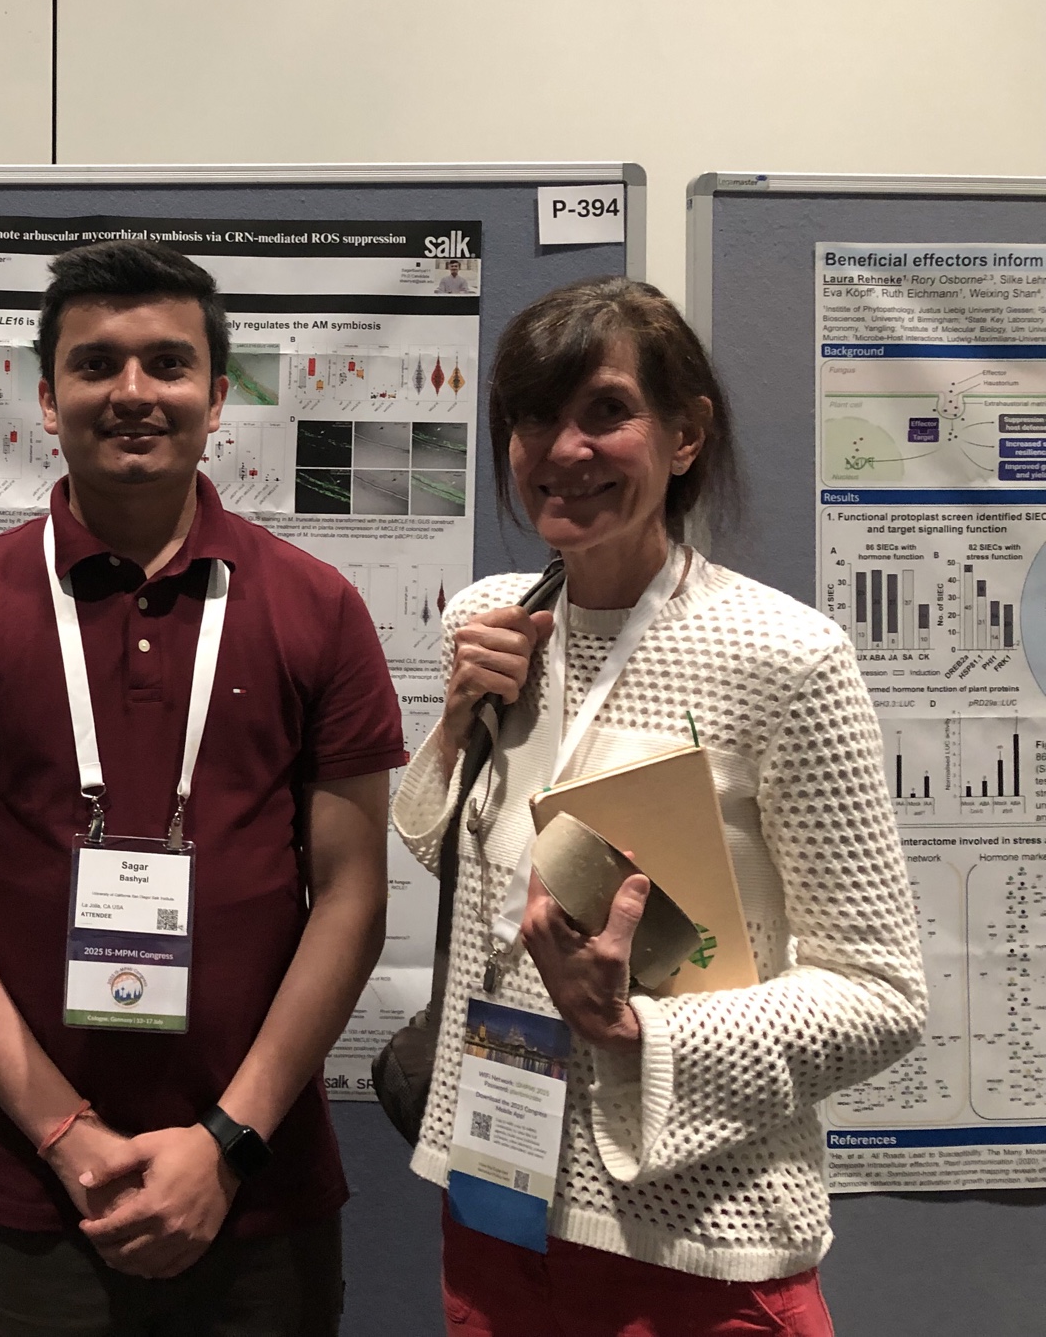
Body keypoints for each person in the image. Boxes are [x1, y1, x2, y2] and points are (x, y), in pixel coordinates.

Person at [0, 240, 406, 1336]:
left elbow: (352, 899)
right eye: (95, 364)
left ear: (217, 398)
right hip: (36, 1191)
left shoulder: (317, 607)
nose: (131, 392)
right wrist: (66, 1136)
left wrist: (226, 1143)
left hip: (261, 1187)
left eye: (167, 364)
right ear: (45, 396)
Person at [391, 277, 926, 1335]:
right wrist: (456, 723)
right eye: (534, 416)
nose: (564, 449)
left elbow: (881, 996)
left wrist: (636, 1029)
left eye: (606, 412)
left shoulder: (783, 657)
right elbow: (464, 863)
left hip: (694, 1241)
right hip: (495, 1198)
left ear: (684, 437)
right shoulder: (491, 620)